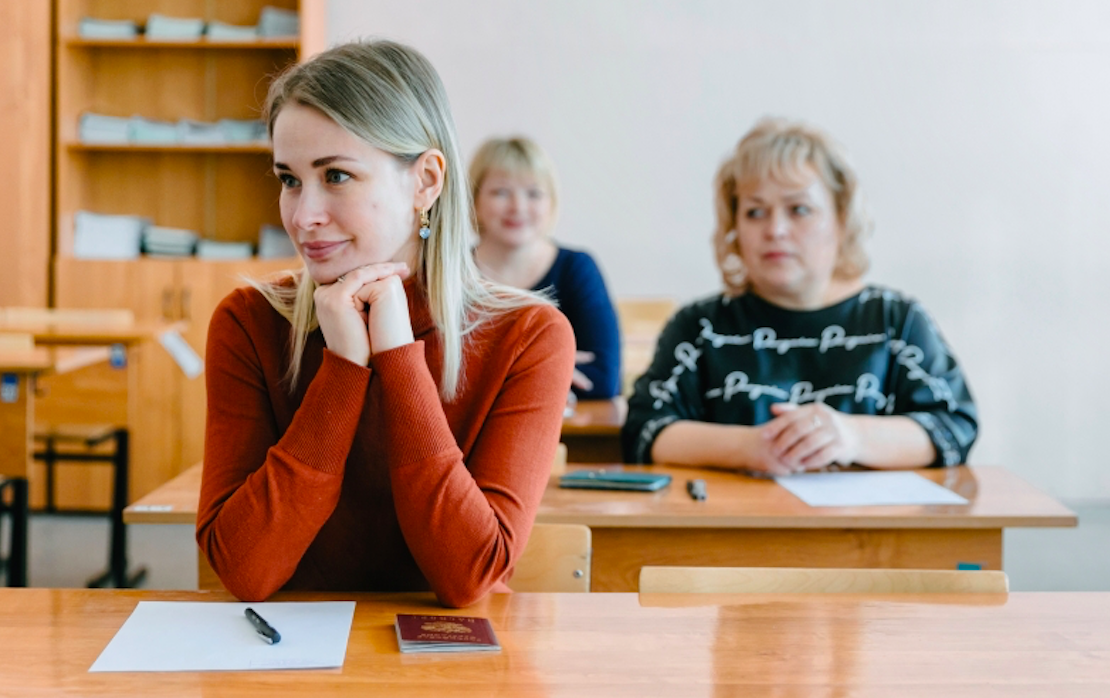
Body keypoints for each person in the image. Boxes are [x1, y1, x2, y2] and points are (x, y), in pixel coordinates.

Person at [196, 41, 575, 607]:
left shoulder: (530, 337)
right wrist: (344, 369)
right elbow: (245, 570)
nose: (303, 217)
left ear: (424, 181)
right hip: (286, 666)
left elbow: (467, 576)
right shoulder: (248, 322)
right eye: (290, 179)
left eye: (338, 176)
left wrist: (397, 357)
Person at [621, 118, 977, 475]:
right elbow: (644, 430)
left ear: (842, 218)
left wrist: (851, 436)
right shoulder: (700, 327)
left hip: (867, 530)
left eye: (799, 209)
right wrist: (748, 447)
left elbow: (954, 426)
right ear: (734, 228)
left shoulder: (895, 321)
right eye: (755, 212)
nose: (775, 230)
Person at [470, 137, 621, 400]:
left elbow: (603, 378)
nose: (518, 207)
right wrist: (551, 364)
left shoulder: (577, 268)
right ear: (475, 199)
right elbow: (437, 375)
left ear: (550, 203)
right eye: (501, 192)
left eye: (533, 193)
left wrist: (487, 368)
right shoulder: (448, 269)